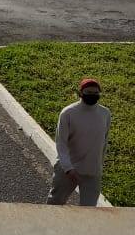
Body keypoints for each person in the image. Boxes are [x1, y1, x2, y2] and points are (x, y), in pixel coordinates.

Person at [46, 79, 111, 207]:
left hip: (92, 171)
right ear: (80, 93)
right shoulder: (68, 113)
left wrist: (99, 167)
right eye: (88, 92)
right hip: (68, 170)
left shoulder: (105, 114)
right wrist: (68, 168)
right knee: (55, 203)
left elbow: (104, 142)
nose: (92, 95)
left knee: (89, 210)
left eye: (95, 92)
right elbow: (61, 143)